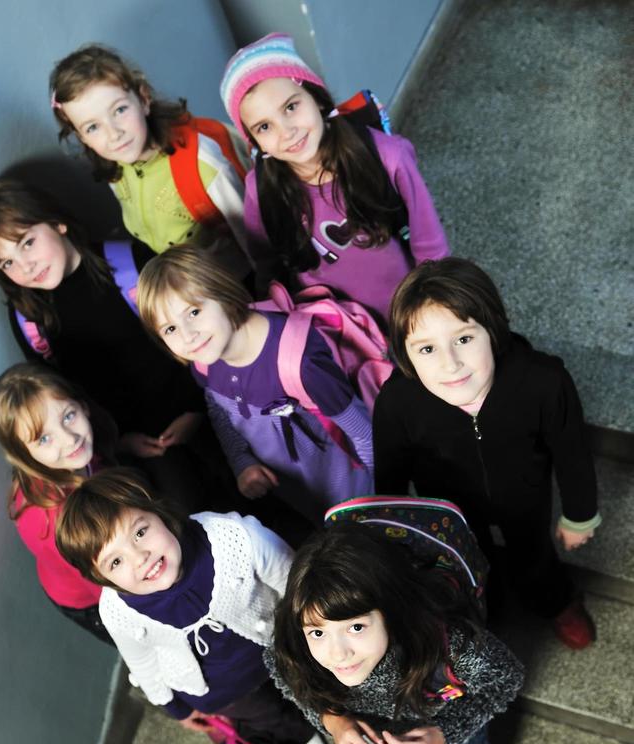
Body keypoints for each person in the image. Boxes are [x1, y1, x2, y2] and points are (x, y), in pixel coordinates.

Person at [373, 257, 600, 649]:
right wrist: (390, 530)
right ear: (405, 355)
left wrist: (579, 515)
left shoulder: (543, 381)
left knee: (534, 551)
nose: (450, 363)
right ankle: (483, 610)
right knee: (467, 564)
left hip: (525, 492)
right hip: (450, 505)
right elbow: (390, 473)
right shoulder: (397, 402)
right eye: (426, 348)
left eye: (463, 339)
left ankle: (556, 601)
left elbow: (572, 451)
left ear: (493, 330)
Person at [269, 521, 524, 744]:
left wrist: (444, 734)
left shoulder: (449, 643)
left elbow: (506, 679)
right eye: (317, 632)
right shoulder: (297, 647)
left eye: (356, 627)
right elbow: (285, 676)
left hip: (451, 713)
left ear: (391, 610)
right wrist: (335, 723)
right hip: (399, 730)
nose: (338, 654)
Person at [55, 467, 330, 744]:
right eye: (116, 561)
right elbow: (143, 662)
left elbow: (292, 582)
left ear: (157, 511)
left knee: (304, 685)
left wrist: (315, 633)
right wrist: (176, 708)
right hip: (222, 691)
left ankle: (325, 711)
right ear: (102, 578)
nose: (140, 556)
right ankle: (301, 735)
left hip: (278, 648)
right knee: (268, 715)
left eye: (140, 532)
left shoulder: (234, 538)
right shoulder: (117, 611)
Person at [0, 177, 218, 514]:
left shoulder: (130, 263)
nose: (25, 266)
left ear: (57, 223)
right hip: (130, 443)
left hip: (202, 401)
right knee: (184, 507)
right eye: (7, 263)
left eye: (28, 243)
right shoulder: (29, 319)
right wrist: (118, 441)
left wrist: (195, 408)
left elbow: (195, 332)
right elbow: (60, 399)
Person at [136, 243, 374, 526]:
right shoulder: (203, 361)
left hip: (353, 498)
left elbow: (364, 434)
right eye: (170, 329)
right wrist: (242, 463)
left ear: (222, 293)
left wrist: (383, 503)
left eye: (194, 312)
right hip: (301, 495)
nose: (188, 336)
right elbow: (221, 413)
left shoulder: (301, 364)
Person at [220, 32, 448, 323]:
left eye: (291, 107)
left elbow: (429, 240)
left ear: (316, 98)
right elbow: (268, 266)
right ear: (255, 141)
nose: (286, 131)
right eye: (264, 126)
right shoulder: (260, 188)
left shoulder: (387, 156)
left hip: (409, 308)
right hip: (335, 329)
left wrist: (436, 299)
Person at [49, 43, 250, 276]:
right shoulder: (116, 167)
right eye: (93, 127)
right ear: (81, 136)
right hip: (187, 286)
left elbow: (256, 240)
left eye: (120, 110)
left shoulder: (202, 161)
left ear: (143, 99)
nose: (114, 134)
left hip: (237, 284)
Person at [0, 363, 115, 643]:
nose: (69, 439)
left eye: (68, 416)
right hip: (94, 598)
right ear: (24, 456)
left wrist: (123, 446)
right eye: (44, 438)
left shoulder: (69, 457)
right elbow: (108, 592)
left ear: (83, 406)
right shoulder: (49, 523)